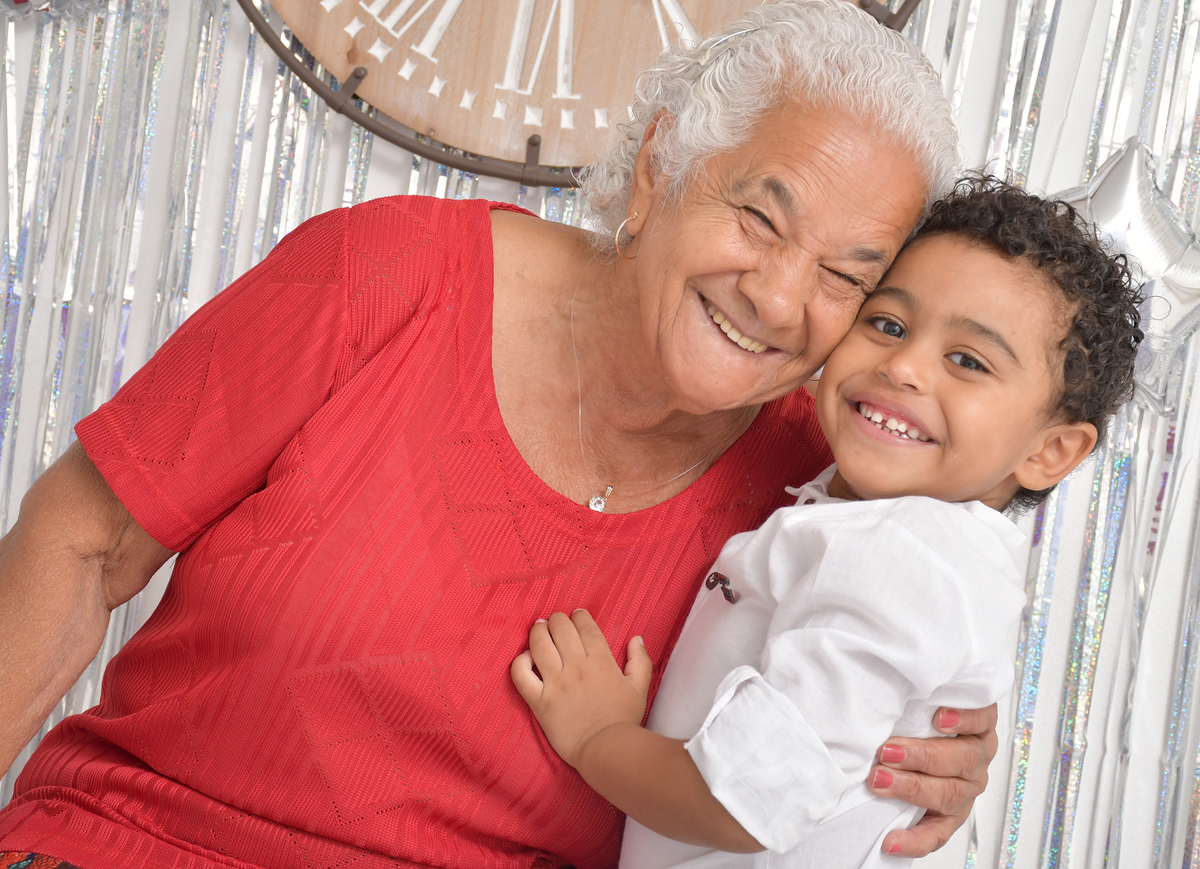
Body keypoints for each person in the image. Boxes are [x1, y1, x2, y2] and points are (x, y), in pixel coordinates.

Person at [0, 2, 994, 867]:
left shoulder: (833, 492)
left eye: (845, 276)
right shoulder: (388, 274)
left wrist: (930, 742)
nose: (778, 298)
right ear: (660, 166)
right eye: (759, 219)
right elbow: (84, 542)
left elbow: (861, 698)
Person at [511, 179, 1143, 868]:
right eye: (889, 324)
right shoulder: (901, 535)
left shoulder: (898, 554)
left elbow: (745, 800)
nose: (903, 366)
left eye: (968, 361)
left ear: (1051, 451)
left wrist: (598, 735)